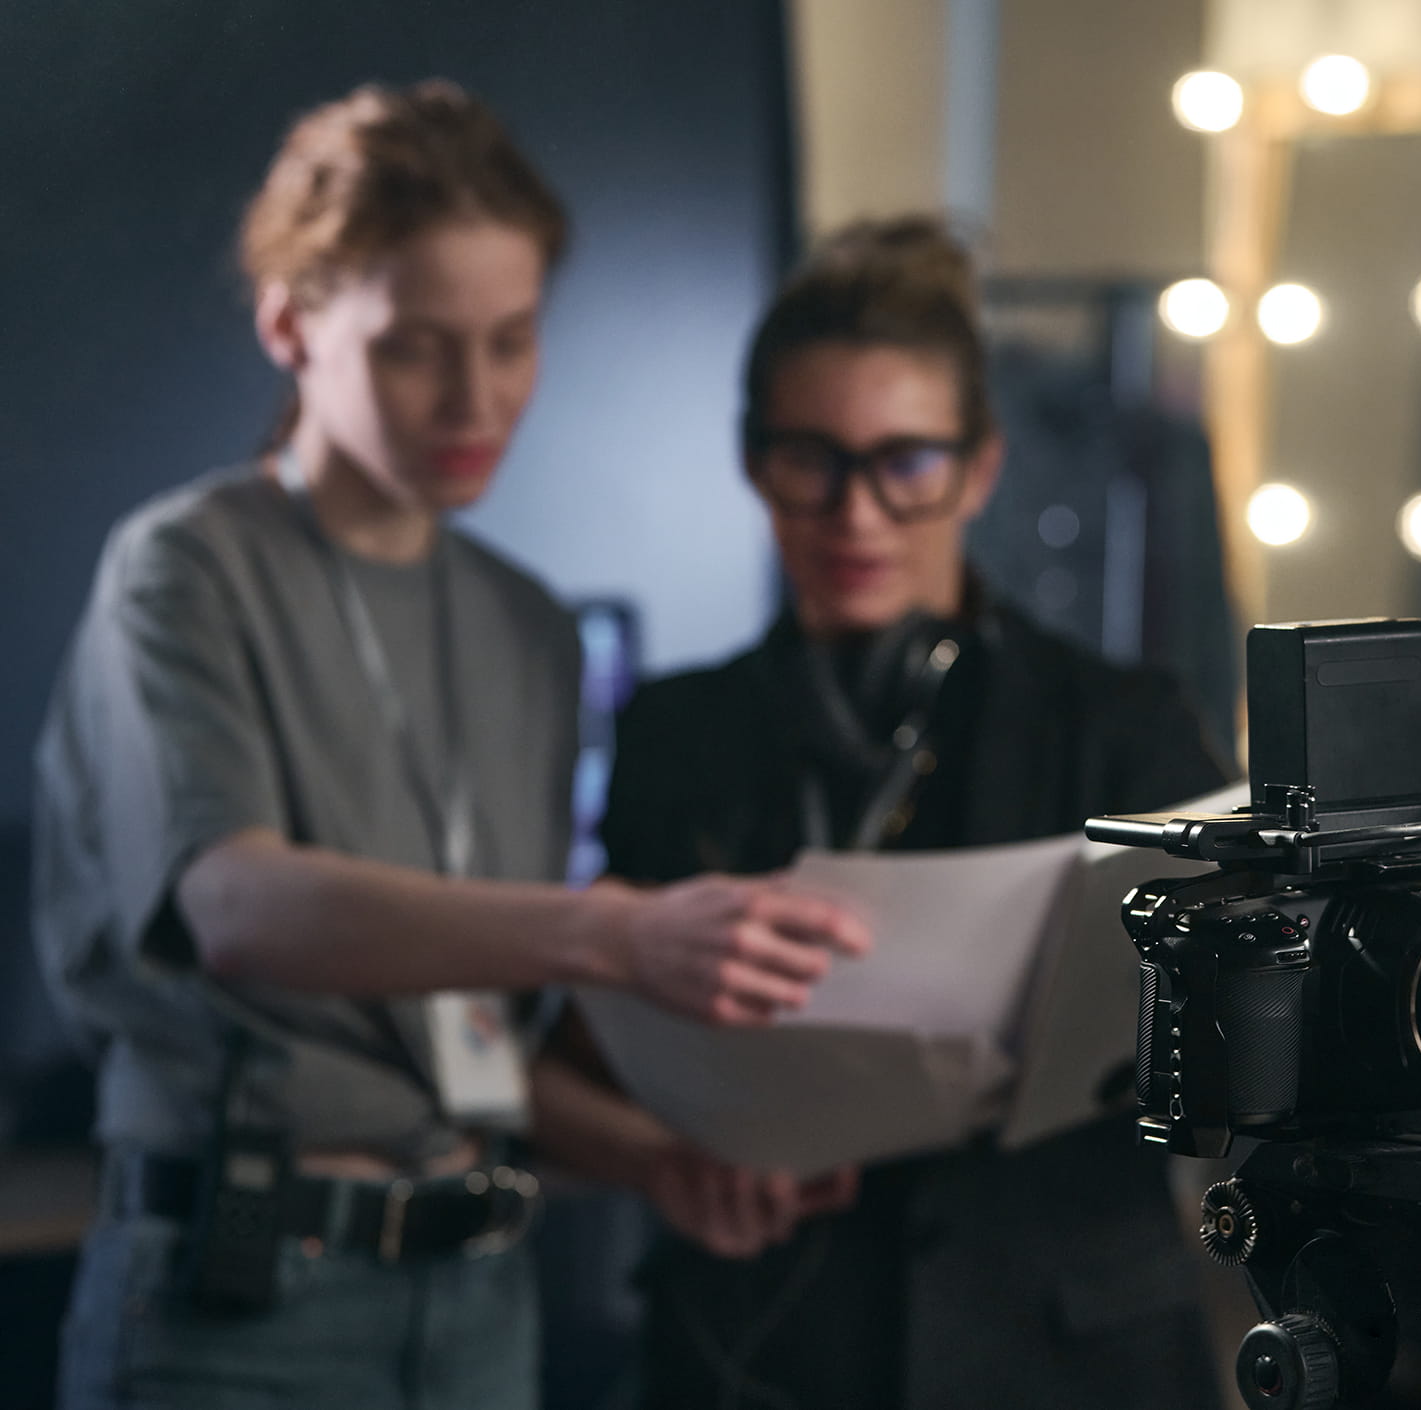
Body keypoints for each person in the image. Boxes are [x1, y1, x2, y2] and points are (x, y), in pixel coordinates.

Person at [31, 80, 865, 1410]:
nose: (477, 400)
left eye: (513, 341)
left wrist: (656, 1159)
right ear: (289, 326)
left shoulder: (527, 627)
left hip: (478, 1296)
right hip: (237, 1302)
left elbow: (464, 1037)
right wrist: (612, 932)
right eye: (417, 349)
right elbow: (239, 906)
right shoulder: (187, 568)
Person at [598, 216, 1232, 1410]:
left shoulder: (1121, 725)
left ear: (977, 467)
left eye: (906, 463)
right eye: (811, 460)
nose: (856, 513)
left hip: (1070, 1348)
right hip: (760, 1346)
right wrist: (669, 1155)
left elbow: (1229, 1050)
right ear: (752, 461)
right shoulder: (675, 732)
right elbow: (597, 1051)